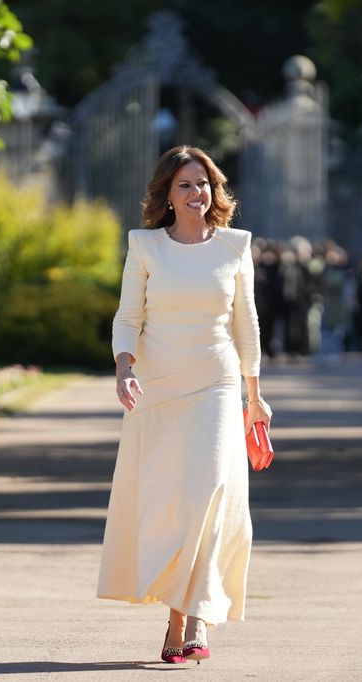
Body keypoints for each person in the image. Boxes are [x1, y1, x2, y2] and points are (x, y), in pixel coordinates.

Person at [97, 145, 271, 665]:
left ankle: (191, 620)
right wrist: (124, 368)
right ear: (167, 195)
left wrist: (255, 397)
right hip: (158, 386)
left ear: (216, 190)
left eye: (204, 184)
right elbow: (128, 318)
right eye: (185, 185)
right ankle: (178, 618)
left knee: (206, 496)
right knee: (170, 505)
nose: (197, 193)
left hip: (217, 385)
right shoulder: (146, 246)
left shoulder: (236, 246)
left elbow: (246, 323)